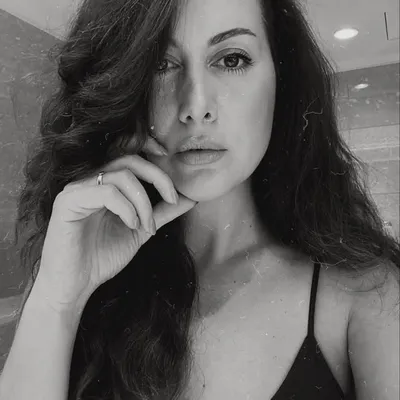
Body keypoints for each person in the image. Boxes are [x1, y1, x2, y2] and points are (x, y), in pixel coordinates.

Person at [0, 0, 399, 398]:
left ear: (282, 78)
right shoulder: (80, 274)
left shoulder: (366, 295)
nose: (195, 106)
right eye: (161, 64)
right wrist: (59, 300)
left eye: (231, 60)